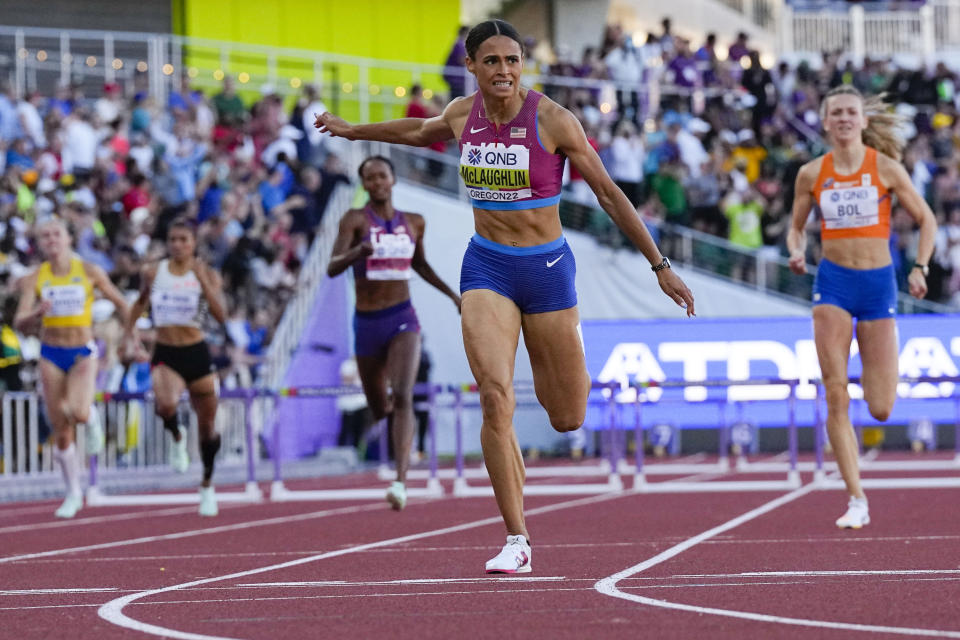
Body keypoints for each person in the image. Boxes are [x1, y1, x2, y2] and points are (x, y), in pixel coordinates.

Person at [316, 19, 694, 573]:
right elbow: (417, 134)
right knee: (494, 397)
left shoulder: (553, 120)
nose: (503, 71)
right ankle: (516, 538)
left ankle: (568, 357)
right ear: (470, 66)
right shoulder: (461, 115)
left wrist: (659, 265)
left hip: (547, 270)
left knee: (566, 415)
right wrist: (354, 133)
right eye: (491, 61)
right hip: (486, 266)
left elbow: (610, 196)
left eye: (512, 60)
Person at [787, 85, 936, 529]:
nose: (845, 119)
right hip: (832, 285)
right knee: (835, 391)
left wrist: (921, 267)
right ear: (826, 121)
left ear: (864, 121)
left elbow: (927, 219)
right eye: (837, 113)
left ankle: (881, 377)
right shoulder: (812, 174)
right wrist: (796, 251)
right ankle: (856, 498)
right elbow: (795, 229)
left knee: (881, 406)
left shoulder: (886, 168)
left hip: (878, 287)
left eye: (852, 112)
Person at [326, 155, 460, 510]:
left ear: (393, 179)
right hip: (367, 322)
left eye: (382, 176)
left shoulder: (414, 222)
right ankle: (392, 432)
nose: (377, 183)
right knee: (379, 405)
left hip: (402, 318)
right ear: (364, 185)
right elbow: (331, 268)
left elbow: (420, 265)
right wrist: (358, 251)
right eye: (369, 179)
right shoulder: (354, 221)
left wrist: (452, 296)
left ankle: (400, 481)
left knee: (403, 395)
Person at [13, 217, 132, 518]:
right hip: (50, 352)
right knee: (61, 431)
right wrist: (36, 313)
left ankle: (91, 419)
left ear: (68, 239)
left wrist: (129, 337)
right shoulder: (34, 277)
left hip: (82, 351)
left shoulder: (89, 272)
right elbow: (19, 321)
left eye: (56, 234)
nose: (51, 239)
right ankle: (73, 493)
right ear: (40, 243)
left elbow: (122, 303)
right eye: (45, 235)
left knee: (78, 412)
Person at [124, 218, 228, 517]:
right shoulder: (154, 271)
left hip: (196, 351)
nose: (178, 245)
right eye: (173, 239)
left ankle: (207, 484)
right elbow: (139, 303)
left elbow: (221, 316)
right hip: (166, 351)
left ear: (194, 243)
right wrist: (129, 336)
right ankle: (177, 436)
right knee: (165, 406)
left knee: (208, 427)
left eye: (184, 239)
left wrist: (204, 280)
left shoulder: (206, 273)